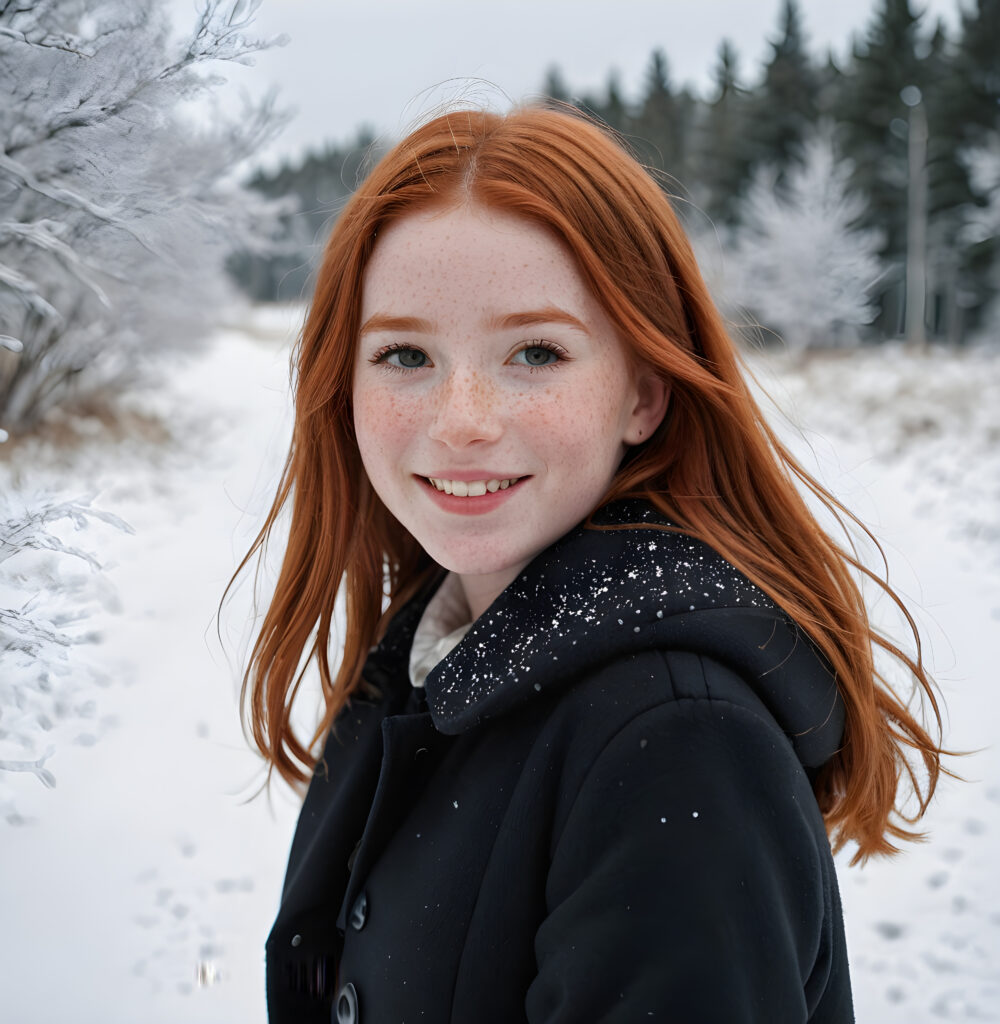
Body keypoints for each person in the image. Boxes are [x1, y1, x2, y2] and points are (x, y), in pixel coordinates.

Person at [233, 105, 949, 1023]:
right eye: (405, 353)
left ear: (642, 395)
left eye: (536, 352)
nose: (462, 420)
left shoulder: (678, 745)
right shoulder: (425, 649)